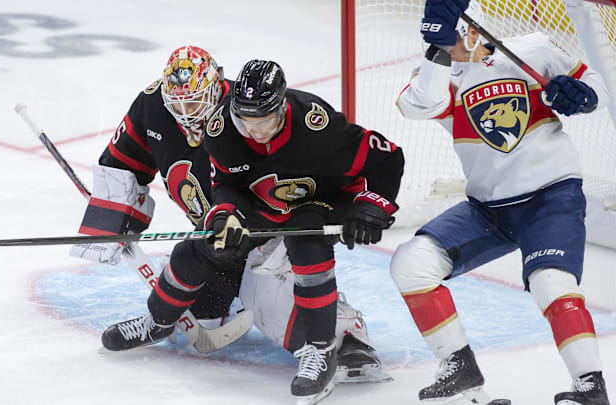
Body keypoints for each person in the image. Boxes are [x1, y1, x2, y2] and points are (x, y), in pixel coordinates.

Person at [68, 45, 390, 385]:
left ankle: (347, 337)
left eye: (193, 103)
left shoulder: (248, 116)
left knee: (275, 307)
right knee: (201, 311)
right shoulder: (154, 104)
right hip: (218, 236)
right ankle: (160, 319)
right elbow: (123, 163)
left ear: (217, 84)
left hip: (272, 232)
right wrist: (114, 221)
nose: (185, 114)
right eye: (176, 104)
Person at [392, 0, 611, 404]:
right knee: (411, 263)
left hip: (551, 196)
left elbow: (596, 84)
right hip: (487, 209)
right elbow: (416, 105)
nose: (447, 44)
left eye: (451, 35)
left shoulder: (535, 49)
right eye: (436, 37)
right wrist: (440, 51)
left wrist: (581, 95)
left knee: (551, 282)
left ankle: (589, 386)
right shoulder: (440, 76)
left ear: (475, 30)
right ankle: (460, 370)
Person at [201, 59, 405, 404]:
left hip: (325, 199)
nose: (254, 130)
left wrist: (373, 204)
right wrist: (228, 215)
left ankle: (322, 351)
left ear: (281, 106)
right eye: (245, 120)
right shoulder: (221, 130)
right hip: (267, 204)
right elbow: (225, 183)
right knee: (217, 248)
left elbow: (387, 158)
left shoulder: (317, 125)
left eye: (263, 120)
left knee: (305, 237)